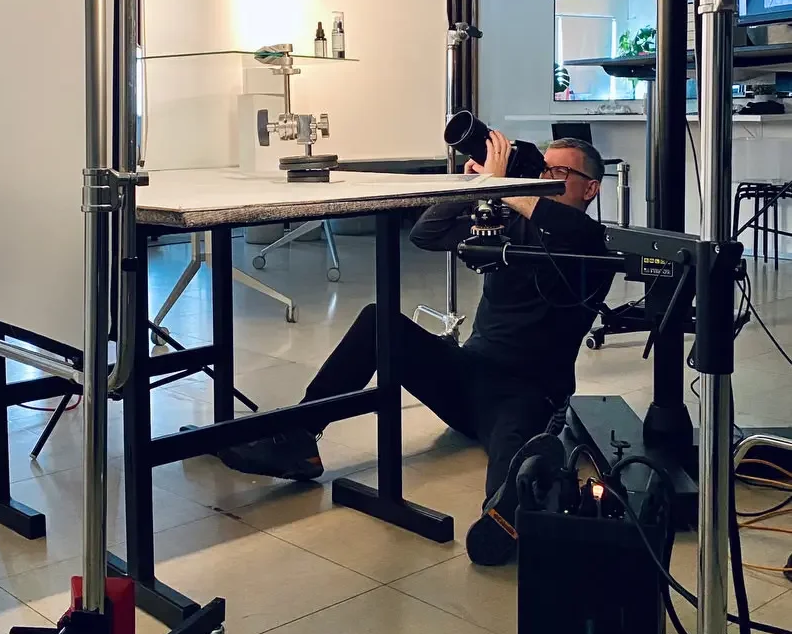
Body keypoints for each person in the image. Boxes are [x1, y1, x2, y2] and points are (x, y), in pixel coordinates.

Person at [219, 134, 616, 565]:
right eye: (542, 170)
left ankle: (506, 517)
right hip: (469, 373)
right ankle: (299, 439)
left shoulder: (592, 242)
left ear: (590, 188)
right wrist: (470, 188)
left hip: (528, 392)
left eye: (558, 173)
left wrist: (499, 186)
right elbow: (427, 234)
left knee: (514, 453)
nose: (545, 179)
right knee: (378, 322)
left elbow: (568, 230)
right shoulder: (509, 220)